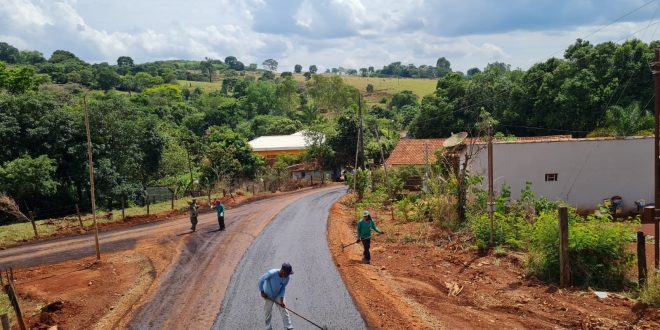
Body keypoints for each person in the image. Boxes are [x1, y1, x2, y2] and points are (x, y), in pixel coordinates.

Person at [258, 263, 294, 330]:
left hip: (278, 294)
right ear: (283, 272)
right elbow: (260, 280)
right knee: (267, 312)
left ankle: (288, 327)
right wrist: (262, 292)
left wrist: (281, 300)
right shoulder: (271, 273)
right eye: (288, 273)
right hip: (268, 295)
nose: (289, 275)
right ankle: (268, 328)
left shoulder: (287, 278)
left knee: (284, 309)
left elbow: (283, 288)